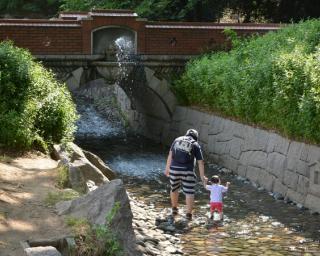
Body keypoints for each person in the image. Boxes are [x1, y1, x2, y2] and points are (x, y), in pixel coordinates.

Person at [165, 129, 206, 221]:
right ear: (196, 137)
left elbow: (170, 155)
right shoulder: (195, 144)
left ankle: (174, 209)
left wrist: (167, 169)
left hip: (174, 169)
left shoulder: (177, 140)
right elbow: (201, 162)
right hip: (188, 170)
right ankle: (188, 214)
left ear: (186, 134)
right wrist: (202, 176)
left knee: (174, 188)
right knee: (189, 191)